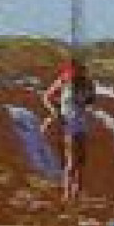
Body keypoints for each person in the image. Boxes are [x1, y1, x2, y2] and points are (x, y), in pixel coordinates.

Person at [40, 59, 95, 202]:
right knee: (71, 161)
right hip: (68, 124)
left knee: (81, 161)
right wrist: (55, 112)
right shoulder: (63, 81)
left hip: (82, 124)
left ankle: (76, 195)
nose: (78, 72)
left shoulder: (87, 84)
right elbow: (46, 97)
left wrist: (88, 93)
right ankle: (66, 195)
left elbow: (91, 100)